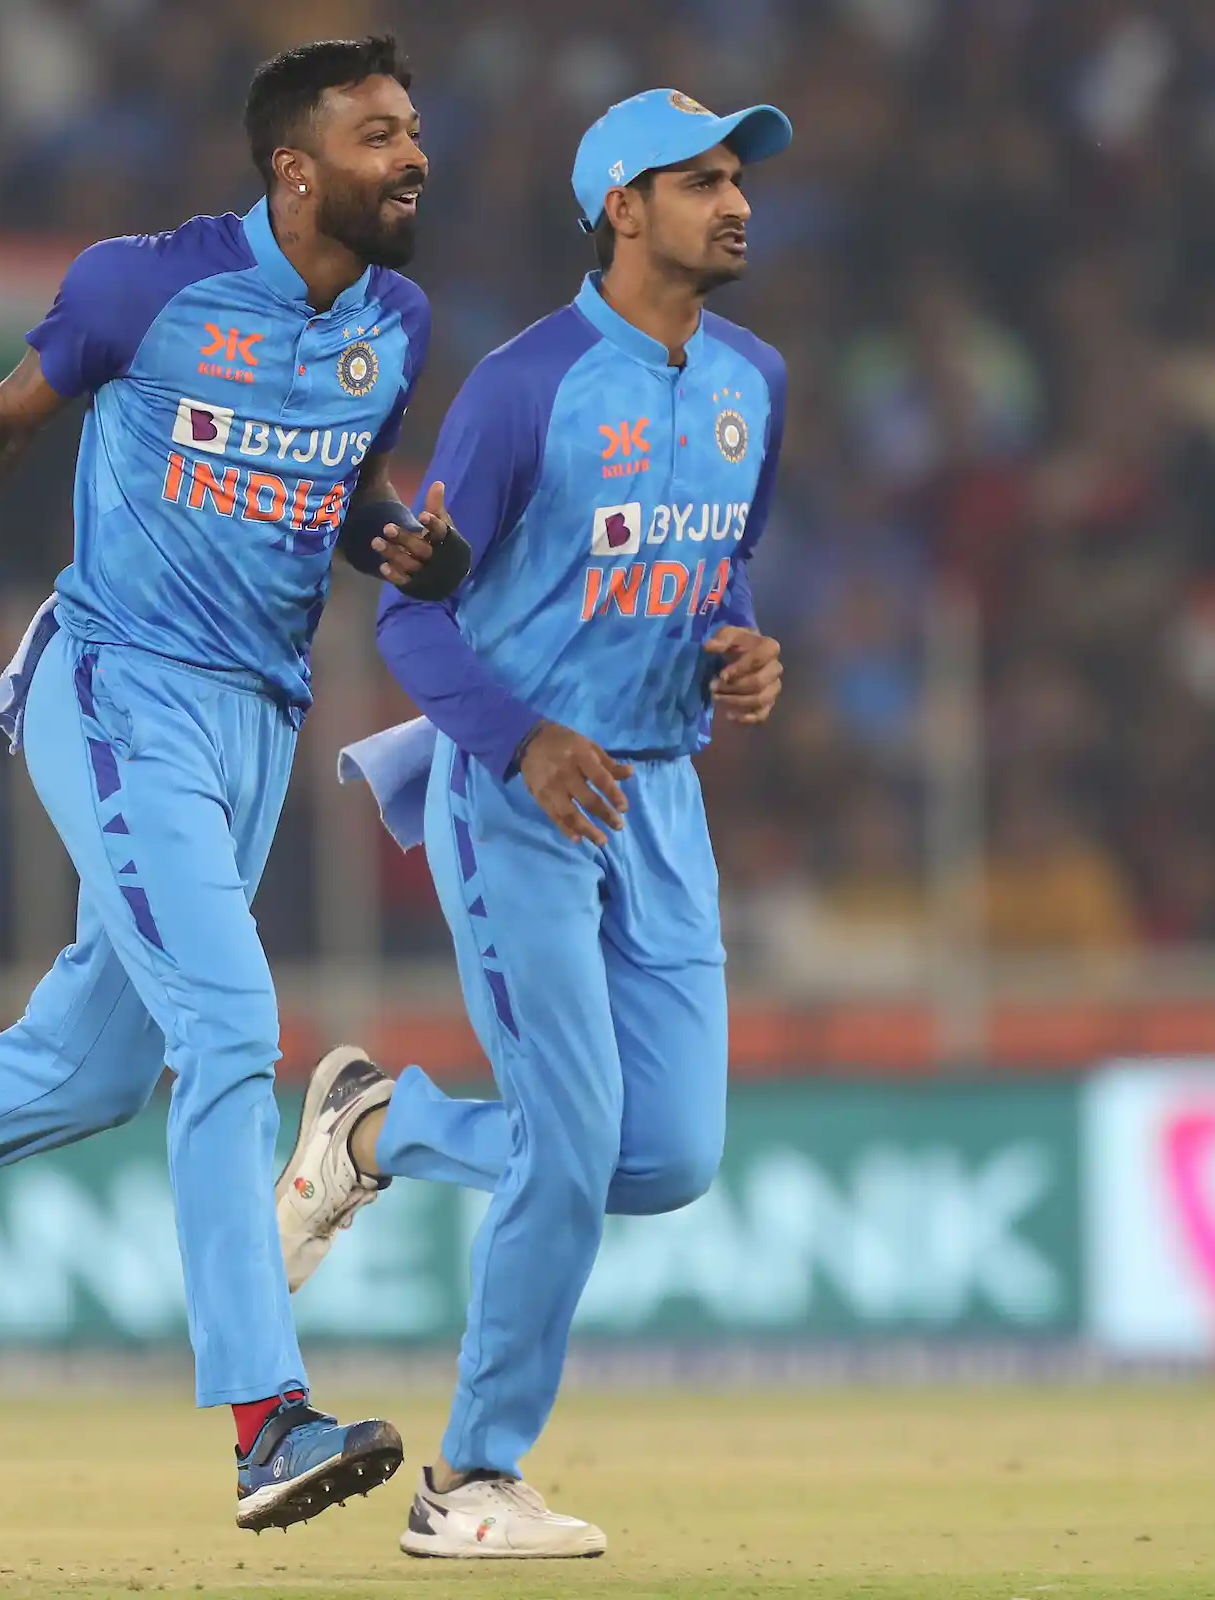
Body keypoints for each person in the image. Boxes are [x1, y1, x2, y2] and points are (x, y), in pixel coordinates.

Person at [0, 35, 462, 1534]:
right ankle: (266, 1423)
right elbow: (0, 422)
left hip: (258, 720)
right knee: (231, 1027)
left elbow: (347, 495)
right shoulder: (147, 287)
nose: (415, 157)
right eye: (381, 135)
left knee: (94, 1066)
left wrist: (405, 547)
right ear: (295, 169)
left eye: (413, 130)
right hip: (119, 687)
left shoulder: (396, 321)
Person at [280, 88, 791, 1558]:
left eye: (739, 178)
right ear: (622, 208)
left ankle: (379, 1129)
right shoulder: (526, 387)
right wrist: (525, 741)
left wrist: (743, 650)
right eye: (700, 181)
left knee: (668, 1158)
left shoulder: (756, 380)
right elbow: (410, 622)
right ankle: (471, 1479)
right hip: (517, 796)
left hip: (659, 798)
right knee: (571, 1143)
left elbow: (719, 568)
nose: (736, 202)